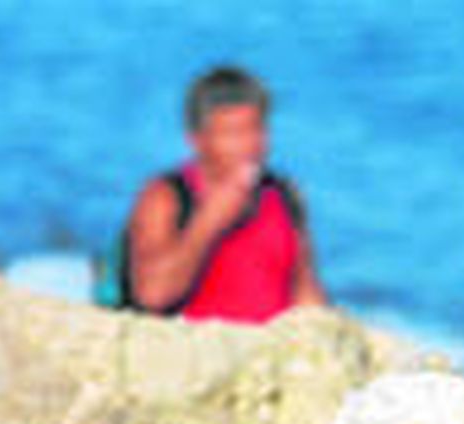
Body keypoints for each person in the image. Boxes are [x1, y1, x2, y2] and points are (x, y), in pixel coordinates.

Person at [122, 65, 327, 323]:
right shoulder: (165, 196)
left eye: (257, 130)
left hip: (269, 355)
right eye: (233, 134)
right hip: (195, 353)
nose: (250, 146)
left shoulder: (282, 194)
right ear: (197, 141)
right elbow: (152, 294)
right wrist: (210, 221)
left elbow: (307, 296)